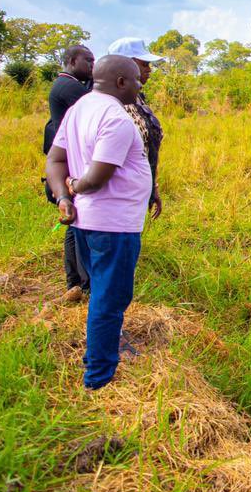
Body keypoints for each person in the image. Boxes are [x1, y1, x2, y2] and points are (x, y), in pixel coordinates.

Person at [45, 55, 152, 390]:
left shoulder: (80, 109)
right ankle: (99, 377)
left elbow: (56, 159)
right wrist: (74, 188)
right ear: (121, 82)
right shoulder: (115, 118)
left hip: (87, 223)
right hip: (113, 225)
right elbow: (95, 178)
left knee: (102, 294)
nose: (140, 84)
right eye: (136, 78)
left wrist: (62, 196)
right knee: (110, 298)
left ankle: (98, 356)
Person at [42, 44, 95, 303]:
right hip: (71, 166)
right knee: (77, 226)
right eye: (88, 61)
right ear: (72, 61)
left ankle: (76, 281)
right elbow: (95, 105)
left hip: (69, 161)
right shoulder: (70, 87)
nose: (92, 66)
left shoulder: (66, 86)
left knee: (74, 225)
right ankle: (81, 282)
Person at [108, 37, 165, 219]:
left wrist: (151, 187)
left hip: (136, 193)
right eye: (144, 64)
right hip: (118, 199)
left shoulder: (137, 99)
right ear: (126, 65)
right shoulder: (110, 104)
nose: (149, 70)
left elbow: (145, 149)